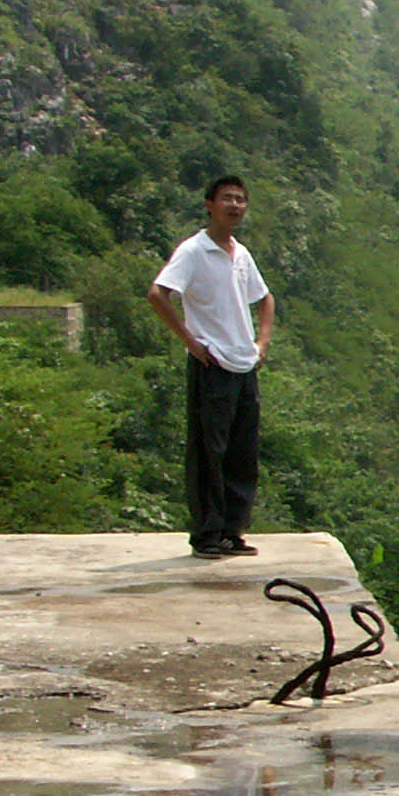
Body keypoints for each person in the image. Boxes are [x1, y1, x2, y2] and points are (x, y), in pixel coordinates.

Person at [149, 174, 274, 559]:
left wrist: (261, 343)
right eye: (227, 199)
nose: (235, 205)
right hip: (213, 366)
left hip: (243, 366)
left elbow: (265, 299)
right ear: (209, 204)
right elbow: (158, 294)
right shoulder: (193, 251)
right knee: (208, 453)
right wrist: (191, 342)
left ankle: (232, 531)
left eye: (241, 199)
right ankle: (207, 534)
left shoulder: (241, 253)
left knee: (241, 452)